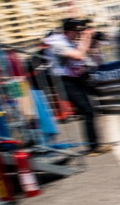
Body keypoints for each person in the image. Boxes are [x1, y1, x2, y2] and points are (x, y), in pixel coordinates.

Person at [44, 19, 107, 156]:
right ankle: (92, 147)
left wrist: (91, 40)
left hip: (75, 79)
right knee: (87, 111)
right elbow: (78, 55)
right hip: (64, 81)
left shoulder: (69, 41)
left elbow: (86, 54)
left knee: (91, 109)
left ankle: (95, 144)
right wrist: (87, 37)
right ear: (69, 32)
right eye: (77, 32)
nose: (79, 35)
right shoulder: (57, 43)